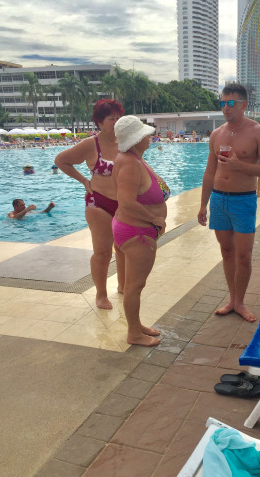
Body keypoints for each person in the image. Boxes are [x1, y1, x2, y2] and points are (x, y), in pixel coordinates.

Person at [197, 82, 260, 323]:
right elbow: (209, 172)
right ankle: (232, 300)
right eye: (222, 103)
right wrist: (203, 204)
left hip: (243, 200)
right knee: (226, 252)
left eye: (231, 103)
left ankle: (240, 302)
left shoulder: (258, 132)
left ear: (244, 105)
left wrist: (239, 165)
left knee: (243, 256)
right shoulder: (216, 134)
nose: (226, 107)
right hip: (219, 199)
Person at [55, 99, 125, 310]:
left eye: (118, 118)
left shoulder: (125, 142)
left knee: (123, 248)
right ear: (99, 122)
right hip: (99, 203)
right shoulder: (91, 144)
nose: (116, 122)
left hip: (123, 203)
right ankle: (101, 295)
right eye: (111, 118)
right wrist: (84, 181)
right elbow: (61, 161)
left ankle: (123, 286)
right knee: (103, 252)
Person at [112, 116, 169, 347]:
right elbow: (126, 202)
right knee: (134, 287)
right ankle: (134, 334)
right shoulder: (130, 164)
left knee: (135, 285)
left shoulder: (133, 159)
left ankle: (136, 326)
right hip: (136, 232)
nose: (149, 137)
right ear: (135, 140)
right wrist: (154, 219)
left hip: (134, 229)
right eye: (145, 135)